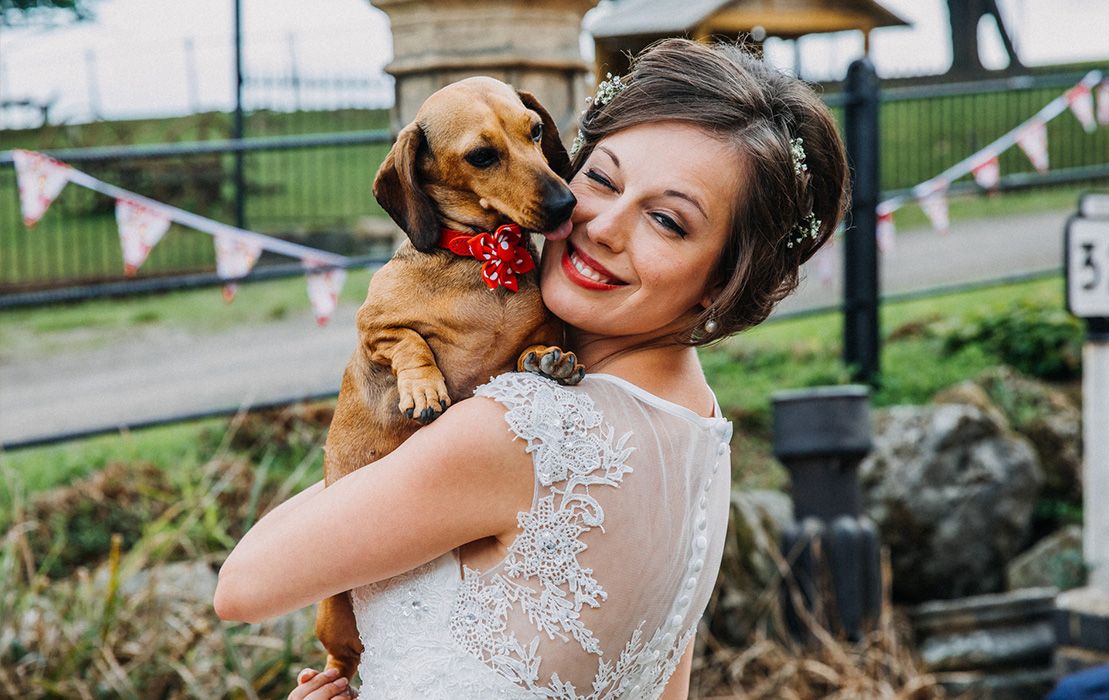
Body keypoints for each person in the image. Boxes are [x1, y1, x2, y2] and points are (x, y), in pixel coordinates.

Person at [213, 37, 848, 700]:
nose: (596, 223)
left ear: (728, 278)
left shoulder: (518, 431)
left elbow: (242, 587)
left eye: (666, 219)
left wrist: (442, 399)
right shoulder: (702, 435)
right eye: (599, 178)